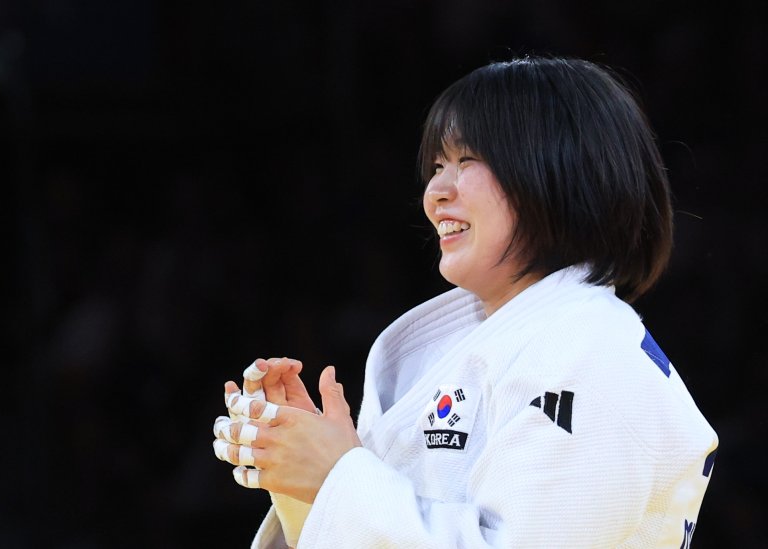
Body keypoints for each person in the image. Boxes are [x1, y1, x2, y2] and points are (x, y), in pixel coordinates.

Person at [212, 56, 718, 548]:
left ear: (559, 173)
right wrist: (304, 477)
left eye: (466, 160)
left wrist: (335, 477)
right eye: (437, 165)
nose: (434, 192)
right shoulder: (480, 347)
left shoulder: (592, 354)